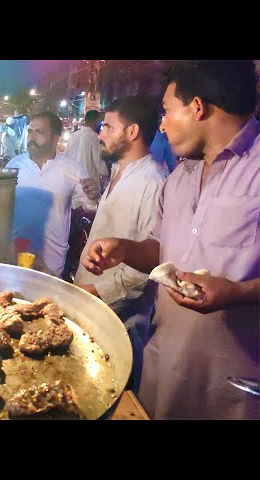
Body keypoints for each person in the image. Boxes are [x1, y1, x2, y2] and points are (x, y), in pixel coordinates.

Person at [82, 60, 260, 419]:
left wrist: (239, 293)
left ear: (198, 106)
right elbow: (161, 253)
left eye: (166, 111)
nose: (161, 124)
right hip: (164, 369)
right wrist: (125, 249)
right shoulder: (179, 178)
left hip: (232, 388)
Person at [74, 96, 168, 393]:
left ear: (132, 132)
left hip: (120, 319)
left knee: (109, 393)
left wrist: (93, 292)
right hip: (89, 304)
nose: (99, 133)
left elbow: (150, 264)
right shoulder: (118, 171)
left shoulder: (154, 181)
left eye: (107, 127)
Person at [6, 111, 100, 278]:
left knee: (46, 301)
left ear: (55, 138)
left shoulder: (72, 169)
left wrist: (92, 197)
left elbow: (88, 207)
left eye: (39, 132)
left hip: (52, 255)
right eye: (30, 132)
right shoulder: (14, 166)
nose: (32, 137)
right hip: (17, 250)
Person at [65, 109, 108, 187]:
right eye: (99, 122)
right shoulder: (94, 137)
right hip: (88, 184)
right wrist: (107, 173)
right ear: (96, 121)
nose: (100, 124)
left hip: (72, 181)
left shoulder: (73, 135)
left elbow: (66, 157)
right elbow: (98, 162)